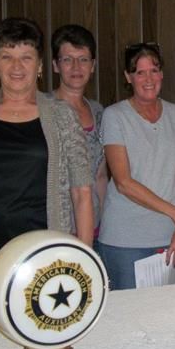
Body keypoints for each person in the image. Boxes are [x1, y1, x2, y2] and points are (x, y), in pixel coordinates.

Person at [0, 17, 93, 307]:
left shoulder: (62, 116)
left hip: (46, 253)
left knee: (43, 344)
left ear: (39, 66)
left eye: (26, 57)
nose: (16, 67)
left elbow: (82, 193)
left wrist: (83, 259)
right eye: (7, 57)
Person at [97, 42, 175, 290]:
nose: (148, 78)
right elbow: (124, 183)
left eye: (153, 70)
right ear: (128, 77)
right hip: (126, 239)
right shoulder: (114, 116)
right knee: (130, 319)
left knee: (170, 317)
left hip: (173, 235)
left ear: (162, 74)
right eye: (140, 72)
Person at [52, 24, 107, 250]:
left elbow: (101, 174)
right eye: (67, 60)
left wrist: (102, 220)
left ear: (93, 65)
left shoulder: (98, 111)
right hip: (56, 229)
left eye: (83, 59)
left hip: (94, 226)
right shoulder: (44, 110)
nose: (76, 67)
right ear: (55, 65)